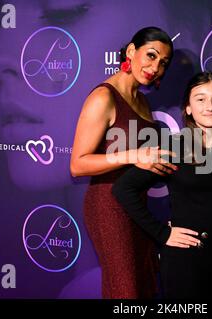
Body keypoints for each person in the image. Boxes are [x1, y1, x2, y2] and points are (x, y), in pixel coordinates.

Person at [70, 26, 181, 299]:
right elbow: (77, 164)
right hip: (108, 206)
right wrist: (134, 156)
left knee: (143, 287)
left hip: (136, 206)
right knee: (126, 292)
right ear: (131, 51)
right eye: (151, 55)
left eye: (163, 63)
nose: (155, 67)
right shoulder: (103, 97)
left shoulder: (142, 99)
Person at [112, 72, 212, 299]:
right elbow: (124, 189)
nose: (210, 106)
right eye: (200, 99)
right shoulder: (174, 146)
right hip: (183, 261)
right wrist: (162, 233)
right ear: (189, 108)